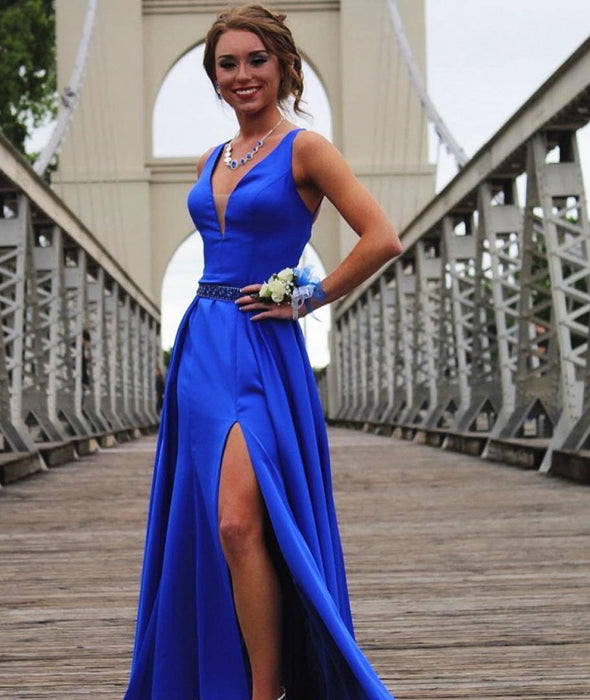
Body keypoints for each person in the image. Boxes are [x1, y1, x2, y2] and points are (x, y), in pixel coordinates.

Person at [124, 5, 402, 699]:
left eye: (256, 60)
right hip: (201, 346)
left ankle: (265, 691)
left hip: (261, 348)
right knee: (219, 525)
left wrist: (308, 298)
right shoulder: (210, 159)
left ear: (283, 66)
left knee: (237, 521)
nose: (242, 74)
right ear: (213, 75)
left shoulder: (306, 150)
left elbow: (382, 238)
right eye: (227, 63)